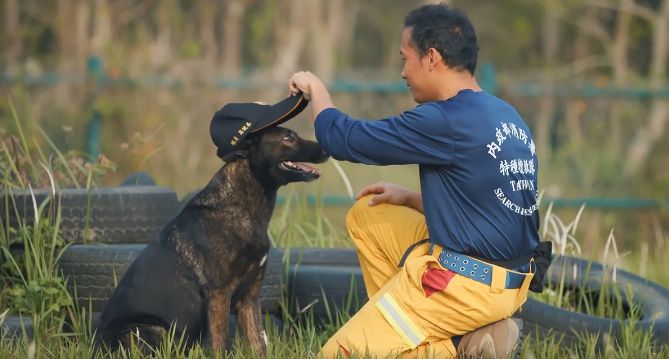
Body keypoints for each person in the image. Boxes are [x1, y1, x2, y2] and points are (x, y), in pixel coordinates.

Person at [289, 3, 542, 358]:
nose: (403, 72)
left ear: (432, 58)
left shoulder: (444, 119)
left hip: (464, 286)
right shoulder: (506, 116)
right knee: (370, 214)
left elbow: (345, 139)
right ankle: (455, 333)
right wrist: (410, 198)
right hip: (510, 283)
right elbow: (494, 209)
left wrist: (316, 89)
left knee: (339, 354)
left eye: (405, 58)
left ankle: (451, 348)